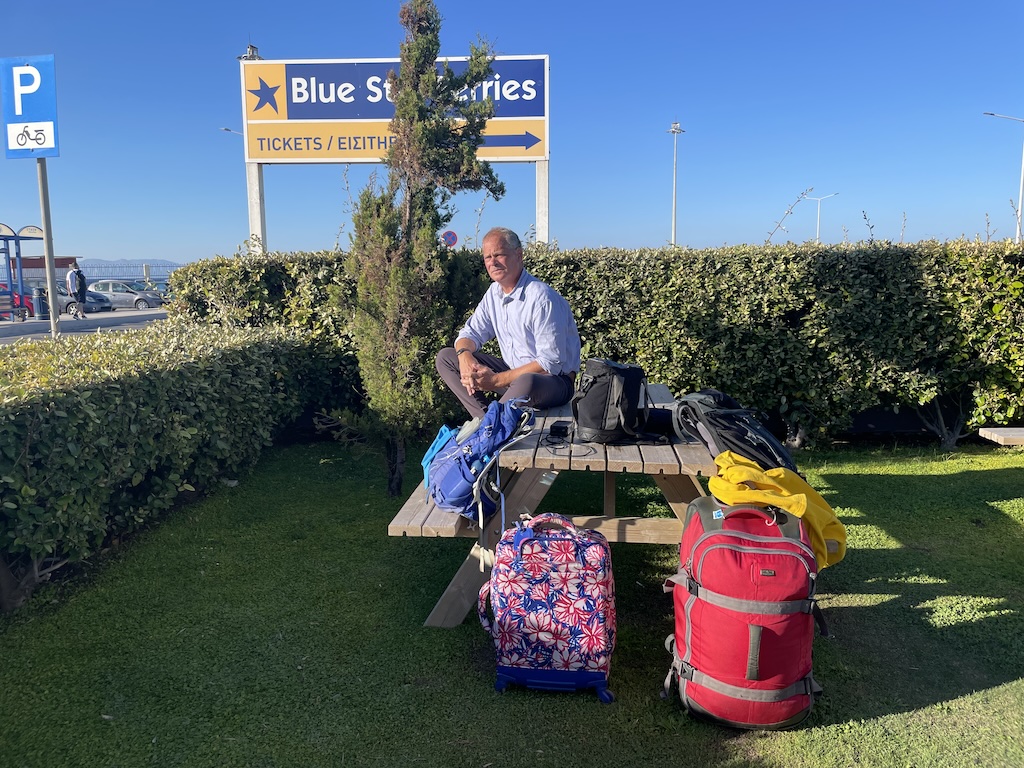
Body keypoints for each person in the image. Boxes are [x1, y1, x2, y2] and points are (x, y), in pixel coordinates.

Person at [435, 227, 581, 418]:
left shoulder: (541, 297)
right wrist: (464, 356)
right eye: (487, 257)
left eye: (499, 255)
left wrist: (495, 380)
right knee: (446, 357)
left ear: (518, 255)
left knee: (527, 381)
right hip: (513, 378)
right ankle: (486, 421)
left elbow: (550, 363)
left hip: (553, 383)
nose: (492, 262)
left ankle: (493, 425)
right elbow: (469, 333)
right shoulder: (493, 294)